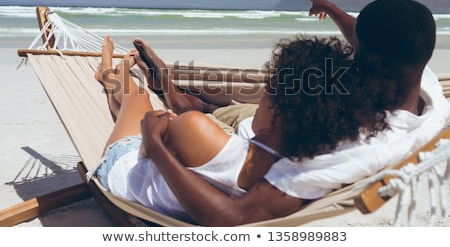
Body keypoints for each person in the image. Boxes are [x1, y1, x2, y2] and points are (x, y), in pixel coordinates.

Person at [138, 0, 450, 226]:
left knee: (210, 113)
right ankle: (183, 94)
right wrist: (334, 11)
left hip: (254, 141)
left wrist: (155, 147)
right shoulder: (426, 88)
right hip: (276, 122)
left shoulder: (358, 150)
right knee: (238, 104)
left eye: (355, 47)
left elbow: (237, 216)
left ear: (367, 57)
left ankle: (175, 94)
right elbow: (373, 39)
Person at [90, 34, 392, 223]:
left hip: (122, 170)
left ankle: (108, 75)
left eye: (266, 93)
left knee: (138, 99)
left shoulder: (198, 128)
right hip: (173, 180)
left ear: (275, 108)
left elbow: (144, 148)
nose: (260, 99)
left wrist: (158, 135)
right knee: (135, 111)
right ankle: (125, 84)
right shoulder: (295, 176)